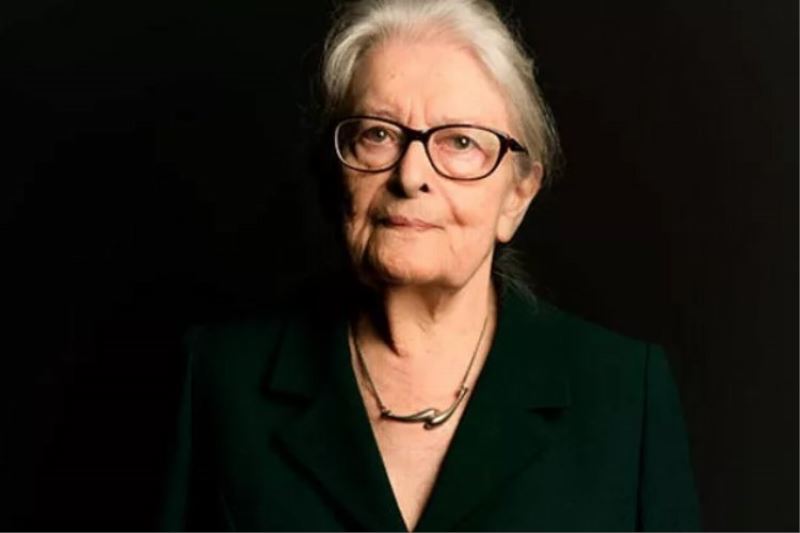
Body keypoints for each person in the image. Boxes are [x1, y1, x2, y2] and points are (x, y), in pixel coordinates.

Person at [159, 0, 700, 530]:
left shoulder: (624, 395)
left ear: (516, 196)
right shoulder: (221, 379)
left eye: (460, 142)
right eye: (378, 134)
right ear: (334, 171)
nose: (411, 175)